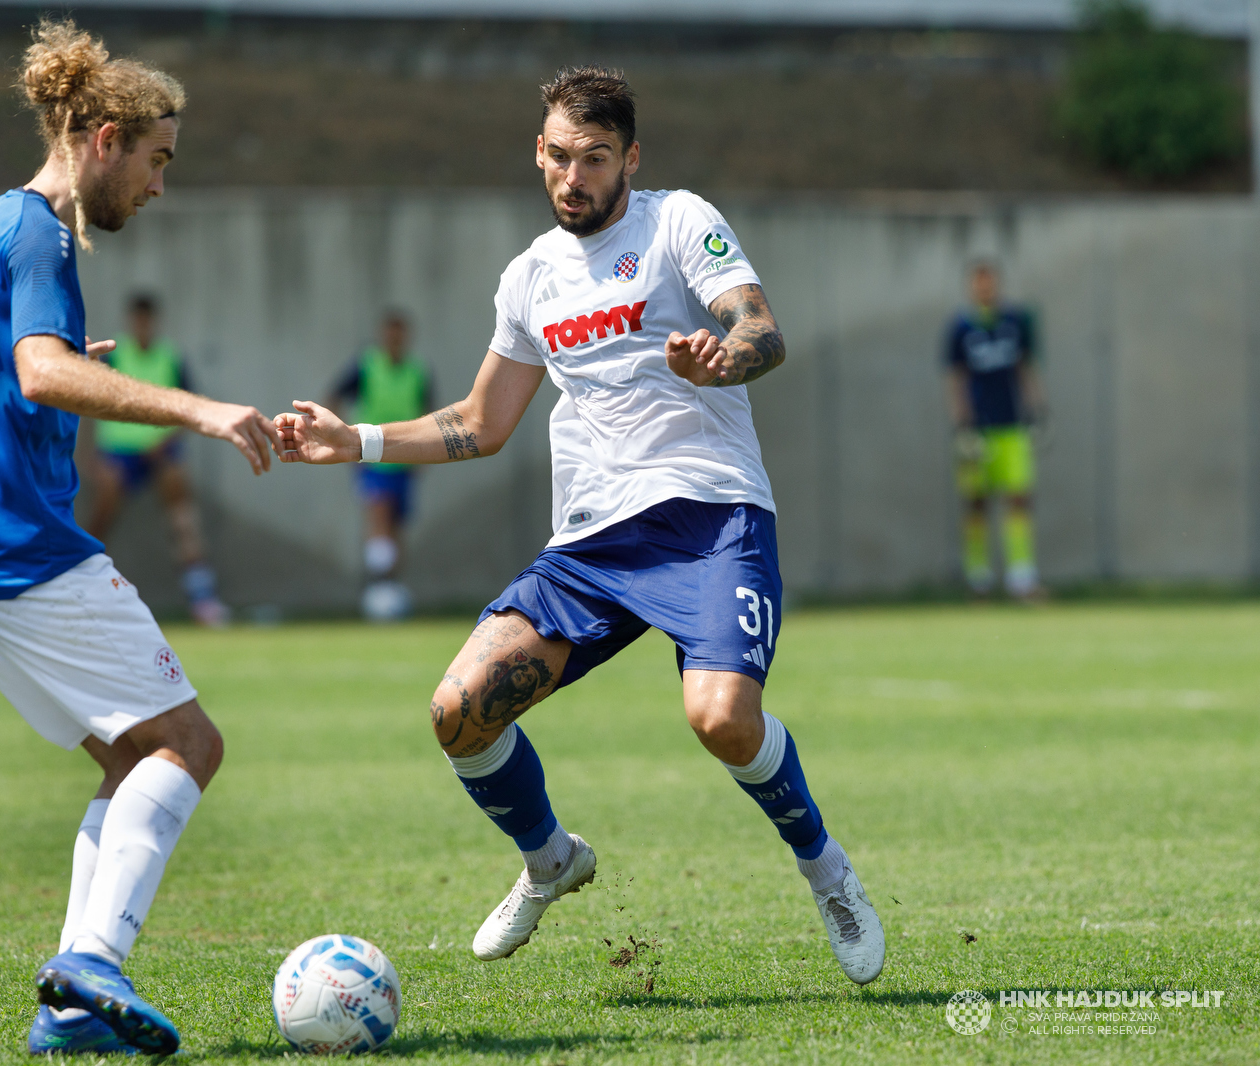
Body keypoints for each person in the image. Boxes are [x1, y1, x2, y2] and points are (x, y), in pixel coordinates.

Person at [276, 67, 885, 986]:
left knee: (721, 718)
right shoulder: (530, 277)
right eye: (559, 157)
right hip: (590, 548)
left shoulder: (679, 222)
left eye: (595, 158)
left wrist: (723, 360)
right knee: (457, 716)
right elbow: (481, 424)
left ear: (630, 159)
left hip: (708, 516)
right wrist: (353, 440)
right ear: (539, 154)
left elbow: (762, 329)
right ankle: (550, 860)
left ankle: (828, 872)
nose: (574, 177)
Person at [0, 21, 280, 1055]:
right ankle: (93, 962)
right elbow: (45, 375)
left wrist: (18, 338)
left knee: (130, 754)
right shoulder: (43, 232)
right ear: (104, 138)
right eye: (157, 161)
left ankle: (68, 1009)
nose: (159, 186)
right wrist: (200, 410)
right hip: (16, 544)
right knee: (190, 745)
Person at [84, 293, 229, 626]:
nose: (142, 327)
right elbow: (86, 403)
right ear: (131, 321)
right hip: (118, 455)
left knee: (182, 514)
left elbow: (191, 407)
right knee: (101, 516)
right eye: (138, 320)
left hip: (161, 452)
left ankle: (202, 596)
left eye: (147, 320)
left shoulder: (170, 357)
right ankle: (82, 586)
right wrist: (92, 456)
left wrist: (166, 440)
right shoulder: (114, 354)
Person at [945, 260, 1045, 600]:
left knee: (1018, 499)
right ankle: (979, 580)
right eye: (978, 284)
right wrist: (962, 425)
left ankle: (1022, 577)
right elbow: (955, 379)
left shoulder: (1016, 321)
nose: (984, 289)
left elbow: (1026, 368)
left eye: (989, 283)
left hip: (1012, 426)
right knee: (975, 503)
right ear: (971, 287)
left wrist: (1039, 412)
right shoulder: (960, 327)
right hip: (978, 429)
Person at [324, 310, 434, 620]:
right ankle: (378, 588)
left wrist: (426, 452)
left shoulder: (418, 370)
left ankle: (392, 587)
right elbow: (334, 396)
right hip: (371, 458)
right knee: (379, 518)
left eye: (400, 335)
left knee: (397, 527)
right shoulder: (366, 366)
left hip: (406, 458)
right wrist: (343, 439)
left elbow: (428, 409)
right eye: (390, 334)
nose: (395, 341)